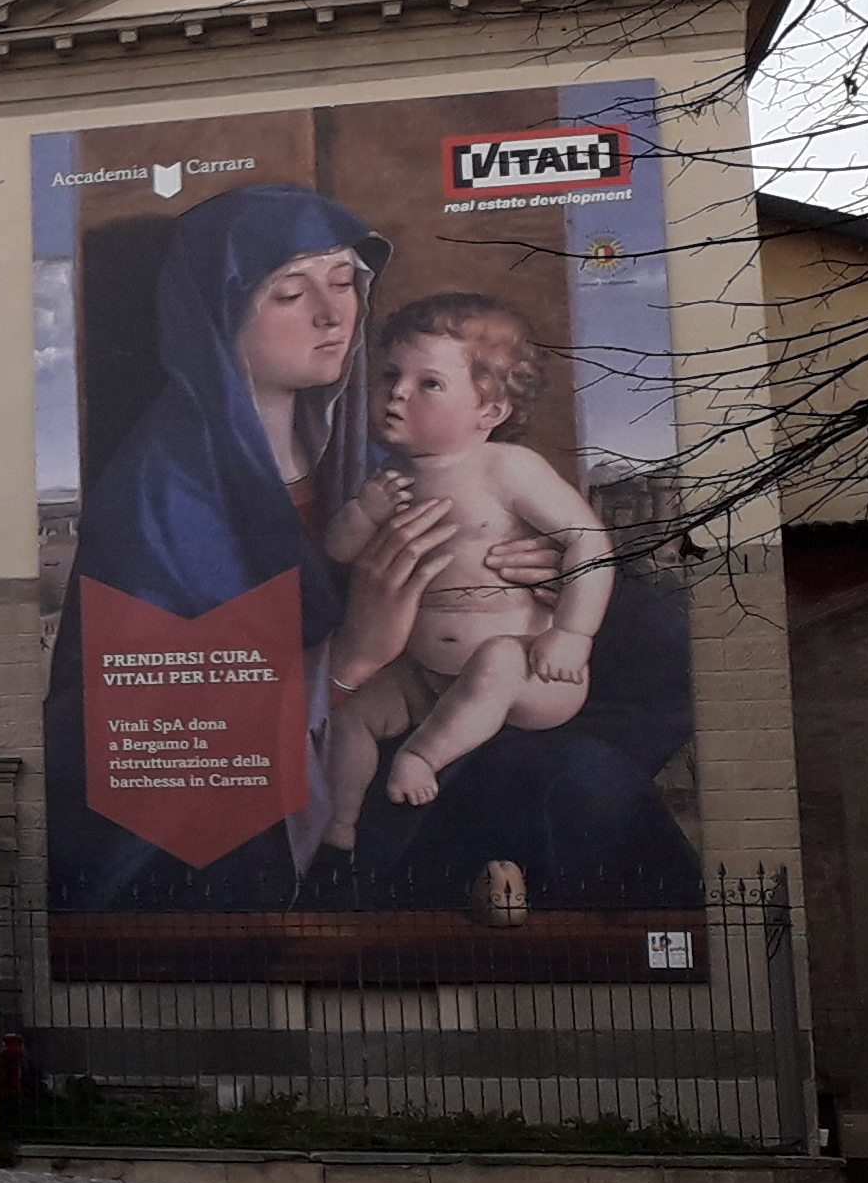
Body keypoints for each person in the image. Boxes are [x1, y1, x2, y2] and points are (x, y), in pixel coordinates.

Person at [48, 182, 695, 910]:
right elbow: (134, 725)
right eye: (290, 293)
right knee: (581, 785)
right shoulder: (161, 495)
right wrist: (351, 655)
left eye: (343, 283)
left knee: (623, 710)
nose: (333, 315)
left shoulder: (374, 455)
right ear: (216, 314)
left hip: (462, 716)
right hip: (288, 801)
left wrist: (535, 576)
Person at [317, 294, 614, 841]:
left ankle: (423, 757)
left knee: (496, 660)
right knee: (352, 715)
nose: (397, 393)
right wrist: (364, 513)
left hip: (530, 674)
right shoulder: (386, 476)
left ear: (490, 412)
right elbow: (337, 552)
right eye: (390, 375)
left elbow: (589, 543)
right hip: (423, 676)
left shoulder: (508, 468)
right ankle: (340, 823)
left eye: (429, 383)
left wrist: (572, 634)